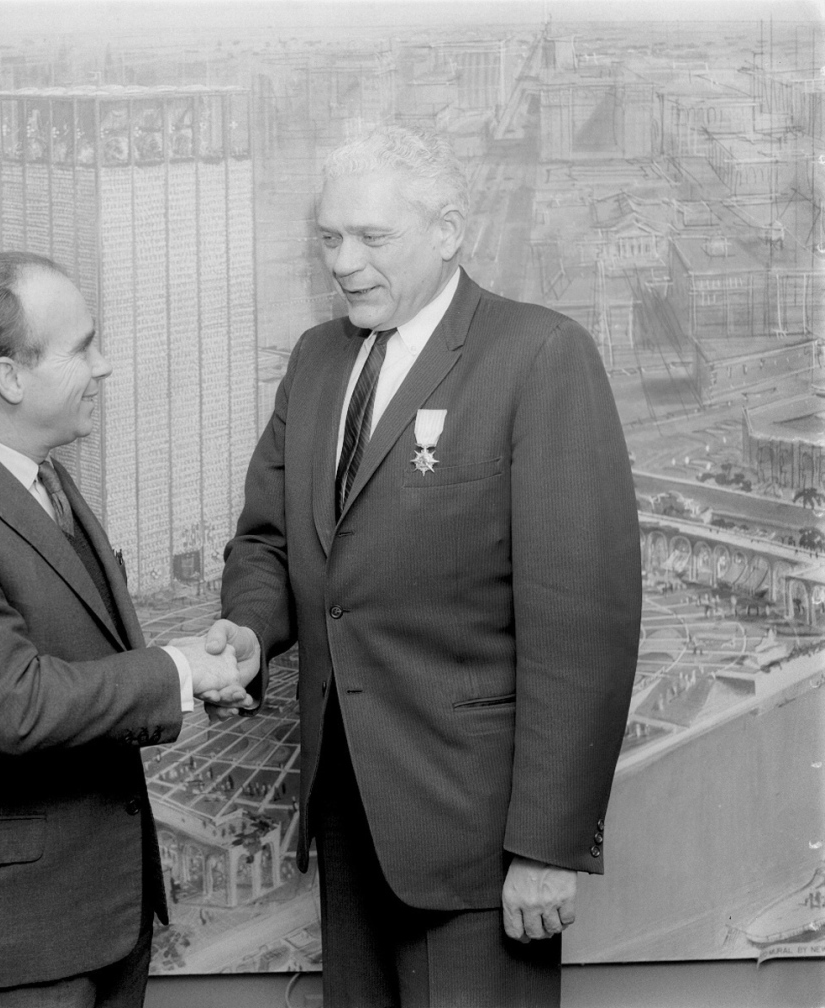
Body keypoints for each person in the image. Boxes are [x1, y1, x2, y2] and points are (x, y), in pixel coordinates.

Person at [205, 125, 641, 1007]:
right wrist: (249, 632)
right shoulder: (317, 360)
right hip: (349, 819)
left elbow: (581, 623)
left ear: (448, 233)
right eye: (330, 238)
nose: (344, 261)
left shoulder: (540, 356)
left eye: (372, 237)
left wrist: (547, 848)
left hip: (479, 838)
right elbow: (270, 540)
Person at [0, 251, 255, 1007]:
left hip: (103, 920)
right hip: (6, 942)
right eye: (82, 347)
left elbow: (85, 654)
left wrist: (199, 685)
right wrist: (178, 672)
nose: (103, 367)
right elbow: (14, 706)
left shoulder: (49, 481)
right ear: (9, 378)